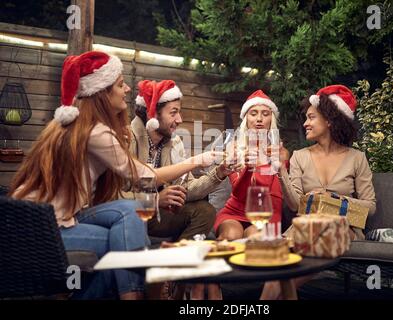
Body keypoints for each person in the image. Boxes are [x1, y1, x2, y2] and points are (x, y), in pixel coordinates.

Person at [8, 51, 220, 300]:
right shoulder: (94, 131)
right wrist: (198, 161)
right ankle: (136, 294)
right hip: (40, 229)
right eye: (120, 84)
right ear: (102, 92)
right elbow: (144, 176)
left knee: (127, 220)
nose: (127, 89)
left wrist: (214, 174)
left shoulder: (72, 126)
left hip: (54, 220)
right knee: (127, 243)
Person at [260, 84, 376, 299]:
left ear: (330, 121)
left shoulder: (357, 158)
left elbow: (370, 207)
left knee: (282, 280)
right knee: (276, 268)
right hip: (304, 228)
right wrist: (280, 171)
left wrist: (332, 200)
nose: (305, 123)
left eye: (311, 117)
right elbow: (295, 205)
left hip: (342, 229)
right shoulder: (300, 156)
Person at [130, 79, 233, 241]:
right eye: (173, 113)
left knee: (205, 211)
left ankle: (178, 255)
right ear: (153, 115)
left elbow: (187, 188)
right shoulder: (128, 138)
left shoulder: (174, 143)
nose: (179, 119)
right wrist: (156, 200)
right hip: (130, 214)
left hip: (159, 217)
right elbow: (115, 196)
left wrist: (218, 173)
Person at [213, 89, 289, 241]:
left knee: (257, 238)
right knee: (230, 236)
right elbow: (240, 193)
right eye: (253, 113)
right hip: (235, 211)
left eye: (265, 114)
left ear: (271, 120)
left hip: (266, 213)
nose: (259, 119)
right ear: (246, 119)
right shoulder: (233, 148)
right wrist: (249, 168)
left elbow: (267, 192)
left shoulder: (280, 152)